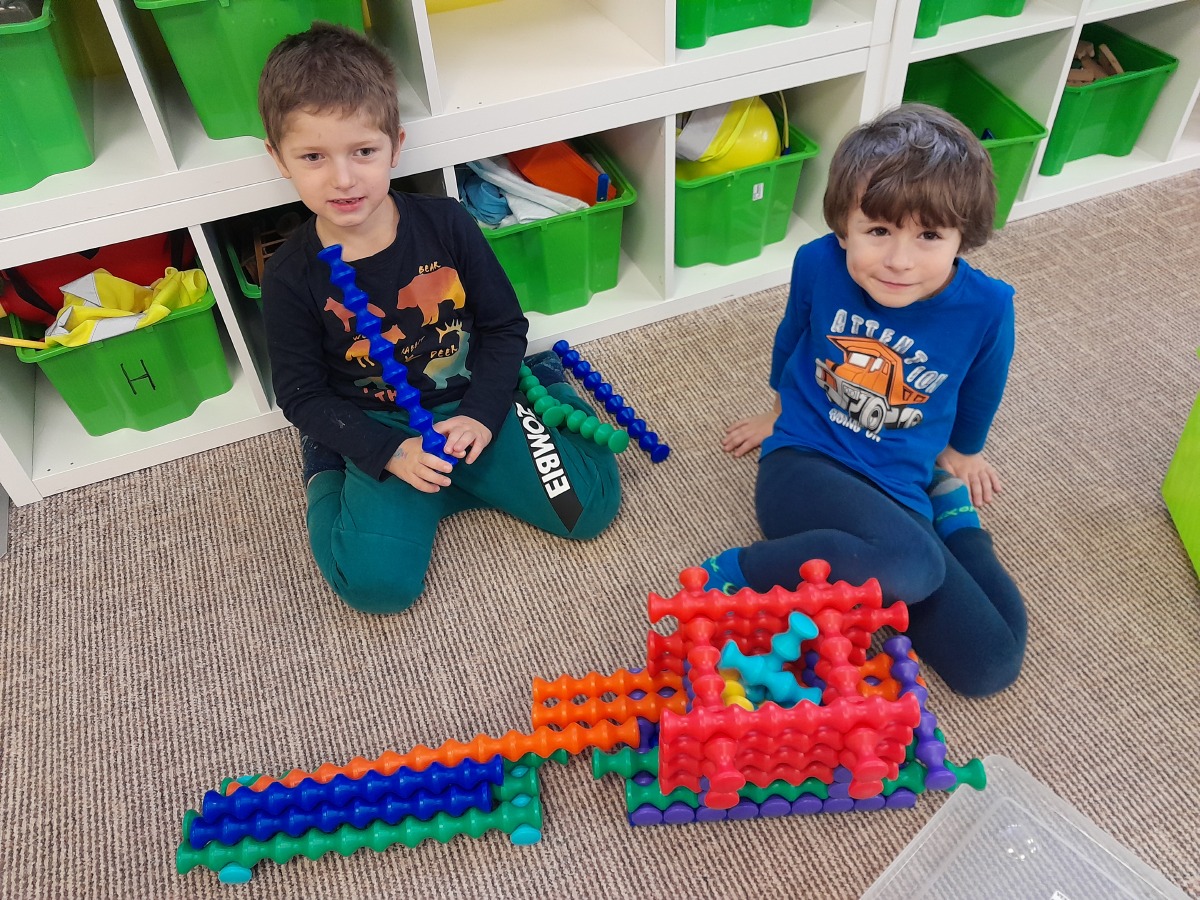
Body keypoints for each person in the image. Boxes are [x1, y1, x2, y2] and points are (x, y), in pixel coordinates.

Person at [256, 23, 621, 614]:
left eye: (364, 151)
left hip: (473, 405)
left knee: (590, 507)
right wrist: (383, 451)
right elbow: (300, 393)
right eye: (313, 157)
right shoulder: (290, 275)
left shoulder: (447, 223)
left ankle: (548, 385)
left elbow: (503, 327)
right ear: (278, 159)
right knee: (373, 586)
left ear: (395, 146)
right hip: (383, 427)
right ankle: (325, 467)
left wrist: (482, 414)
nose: (343, 179)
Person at [703, 103, 1026, 697]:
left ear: (962, 236)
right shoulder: (818, 263)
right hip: (805, 463)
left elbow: (984, 384)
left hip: (901, 489)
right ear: (843, 227)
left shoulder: (988, 305)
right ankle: (738, 569)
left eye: (929, 236)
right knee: (914, 566)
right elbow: (792, 338)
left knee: (990, 664)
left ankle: (953, 517)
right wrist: (776, 415)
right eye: (878, 231)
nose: (899, 260)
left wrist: (964, 453)